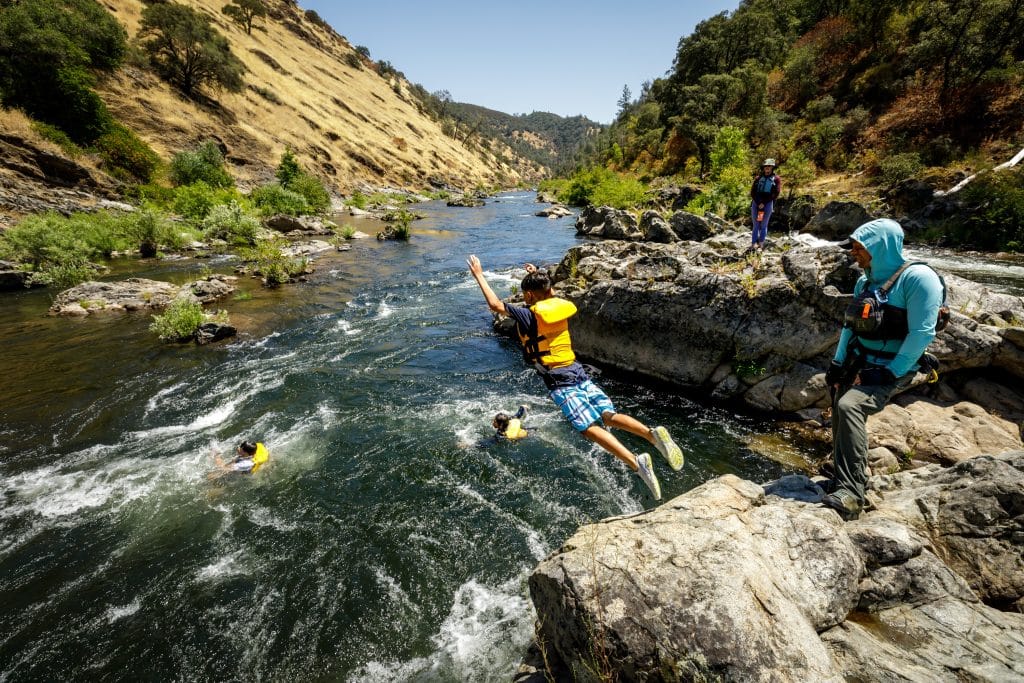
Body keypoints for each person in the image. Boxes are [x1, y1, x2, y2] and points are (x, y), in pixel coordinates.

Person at [467, 256, 684, 500]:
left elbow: (496, 305)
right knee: (608, 416)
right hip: (577, 370)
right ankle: (650, 434)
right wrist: (537, 272)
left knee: (587, 427)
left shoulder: (530, 315)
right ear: (550, 290)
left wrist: (479, 275)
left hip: (559, 380)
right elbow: (546, 290)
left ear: (528, 296)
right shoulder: (558, 304)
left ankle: (636, 463)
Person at [822, 218, 945, 519]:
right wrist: (838, 365)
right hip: (862, 359)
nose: (853, 252)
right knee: (840, 400)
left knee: (852, 405)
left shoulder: (918, 279)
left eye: (859, 247)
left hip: (896, 366)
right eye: (853, 247)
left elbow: (922, 334)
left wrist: (889, 372)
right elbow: (850, 327)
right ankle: (843, 477)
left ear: (881, 247)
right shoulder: (865, 280)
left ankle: (852, 495)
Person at [750, 158, 781, 250]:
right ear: (763, 168)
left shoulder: (776, 179)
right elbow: (752, 192)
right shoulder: (758, 178)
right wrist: (759, 202)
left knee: (763, 225)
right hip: (756, 204)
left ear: (772, 168)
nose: (767, 168)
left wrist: (763, 203)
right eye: (766, 166)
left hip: (767, 204)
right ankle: (753, 244)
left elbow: (776, 193)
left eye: (769, 166)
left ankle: (761, 243)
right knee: (756, 224)